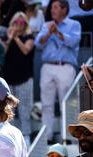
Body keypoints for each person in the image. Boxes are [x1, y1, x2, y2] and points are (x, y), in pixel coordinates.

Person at [35, 0, 81, 144]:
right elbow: (38, 44)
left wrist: (59, 33)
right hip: (48, 67)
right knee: (46, 104)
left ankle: (67, 138)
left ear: (64, 9)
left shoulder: (74, 24)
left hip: (65, 67)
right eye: (52, 7)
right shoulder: (46, 25)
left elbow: (74, 41)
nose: (52, 10)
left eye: (55, 7)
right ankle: (46, 138)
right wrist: (49, 33)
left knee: (66, 104)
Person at [4, 12, 35, 147]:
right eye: (16, 22)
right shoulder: (8, 38)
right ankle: (12, 140)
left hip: (24, 79)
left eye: (22, 23)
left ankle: (27, 140)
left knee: (24, 111)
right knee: (10, 112)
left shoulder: (29, 37)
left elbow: (26, 50)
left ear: (26, 24)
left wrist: (16, 38)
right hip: (9, 80)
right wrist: (10, 38)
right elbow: (3, 53)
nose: (18, 25)